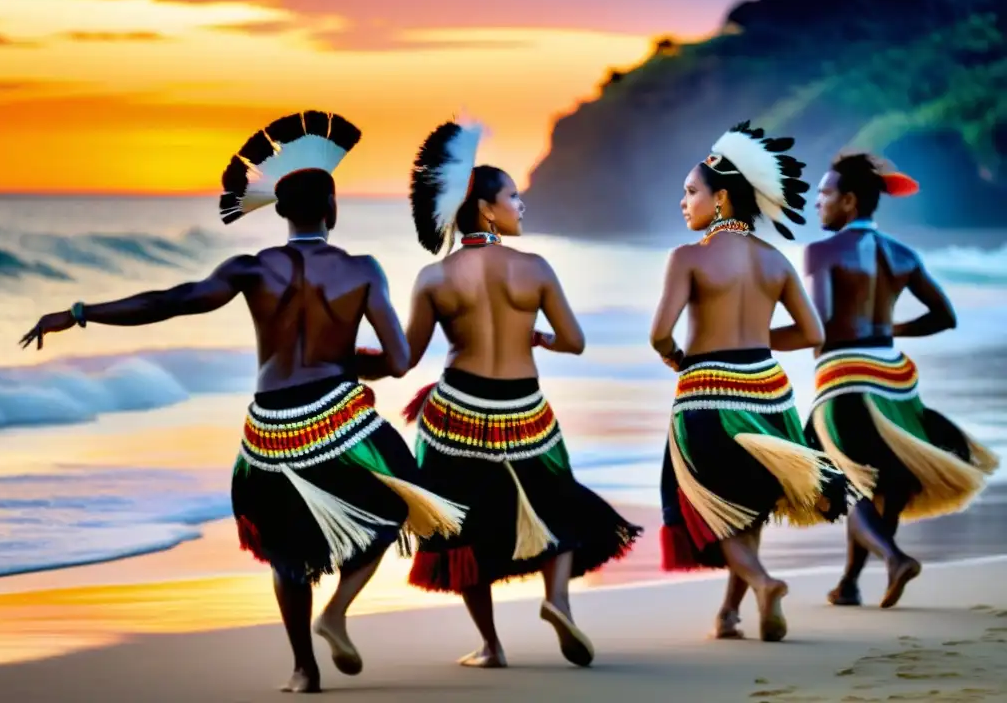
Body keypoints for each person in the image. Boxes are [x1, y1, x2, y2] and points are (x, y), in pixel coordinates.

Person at [19, 110, 466, 694]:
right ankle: (337, 612)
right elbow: (401, 361)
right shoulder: (361, 270)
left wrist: (80, 313)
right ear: (332, 210)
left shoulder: (250, 269)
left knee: (287, 555)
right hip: (340, 422)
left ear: (280, 213)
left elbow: (173, 300)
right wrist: (349, 362)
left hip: (270, 433)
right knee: (400, 507)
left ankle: (304, 670)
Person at [395, 117, 642, 669]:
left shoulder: (434, 278)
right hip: (524, 410)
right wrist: (540, 337)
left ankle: (491, 645)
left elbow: (405, 359)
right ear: (485, 208)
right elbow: (575, 342)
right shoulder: (535, 268)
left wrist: (350, 360)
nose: (521, 204)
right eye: (513, 195)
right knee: (558, 501)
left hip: (456, 412)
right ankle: (556, 602)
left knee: (459, 525)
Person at [652, 121, 846, 643]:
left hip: (708, 395)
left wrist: (678, 358)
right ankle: (732, 613)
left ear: (721, 199)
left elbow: (659, 334)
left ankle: (761, 583)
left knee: (706, 499)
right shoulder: (774, 259)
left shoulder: (687, 258)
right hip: (768, 392)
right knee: (750, 500)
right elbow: (812, 333)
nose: (683, 202)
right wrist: (757, 338)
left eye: (691, 192)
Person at [803, 152, 999, 609]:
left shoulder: (821, 251)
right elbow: (944, 316)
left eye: (824, 195)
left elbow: (822, 324)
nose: (818, 204)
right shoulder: (902, 254)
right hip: (895, 381)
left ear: (849, 201)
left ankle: (894, 558)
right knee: (885, 486)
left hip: (846, 380)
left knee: (851, 484)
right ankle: (849, 584)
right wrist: (888, 330)